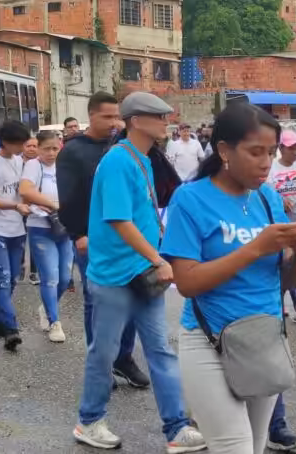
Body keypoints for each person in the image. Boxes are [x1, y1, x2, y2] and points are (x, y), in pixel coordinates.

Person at [162, 103, 296, 454]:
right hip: (210, 341)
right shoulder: (190, 199)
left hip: (263, 338)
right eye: (255, 152)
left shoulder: (267, 198)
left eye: (271, 152)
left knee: (255, 446)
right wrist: (256, 248)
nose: (266, 162)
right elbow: (187, 283)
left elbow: (283, 283)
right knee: (235, 447)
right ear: (224, 150)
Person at [74, 91, 205, 453]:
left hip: (142, 271)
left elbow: (146, 216)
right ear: (135, 122)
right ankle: (89, 420)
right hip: (114, 274)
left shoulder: (143, 159)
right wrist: (160, 259)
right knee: (104, 351)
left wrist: (161, 255)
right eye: (158, 116)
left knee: (160, 350)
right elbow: (118, 220)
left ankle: (176, 428)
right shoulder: (118, 161)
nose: (166, 121)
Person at [57, 91, 148, 389]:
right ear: (91, 115)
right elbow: (68, 199)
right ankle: (101, 362)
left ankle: (123, 357)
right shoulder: (73, 151)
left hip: (129, 238)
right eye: (107, 117)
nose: (113, 123)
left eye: (117, 117)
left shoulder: (126, 148)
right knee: (96, 301)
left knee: (134, 297)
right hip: (92, 240)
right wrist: (78, 234)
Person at [0, 120, 32, 351]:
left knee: (12, 280)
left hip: (17, 230)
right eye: (19, 143)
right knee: (2, 279)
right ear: (7, 142)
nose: (23, 147)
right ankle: (11, 329)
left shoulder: (19, 161)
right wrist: (14, 207)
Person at [19, 130, 72, 342]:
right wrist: (53, 205)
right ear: (38, 148)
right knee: (50, 277)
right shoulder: (33, 166)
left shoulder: (65, 165)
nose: (51, 153)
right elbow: (26, 191)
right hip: (40, 226)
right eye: (46, 148)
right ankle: (54, 321)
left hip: (64, 227)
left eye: (55, 148)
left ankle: (46, 307)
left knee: (65, 278)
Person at [266, 130, 296, 325]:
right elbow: (264, 192)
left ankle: (294, 306)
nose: (295, 151)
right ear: (281, 148)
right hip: (279, 224)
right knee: (284, 263)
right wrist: (278, 199)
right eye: (291, 147)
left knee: (292, 263)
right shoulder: (272, 169)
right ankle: (291, 305)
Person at [22, 137, 40, 285]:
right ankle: (21, 266)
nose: (32, 149)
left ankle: (34, 272)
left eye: (35, 146)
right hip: (19, 208)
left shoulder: (43, 164)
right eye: (29, 146)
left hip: (38, 209)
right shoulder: (16, 163)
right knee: (21, 239)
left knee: (35, 242)